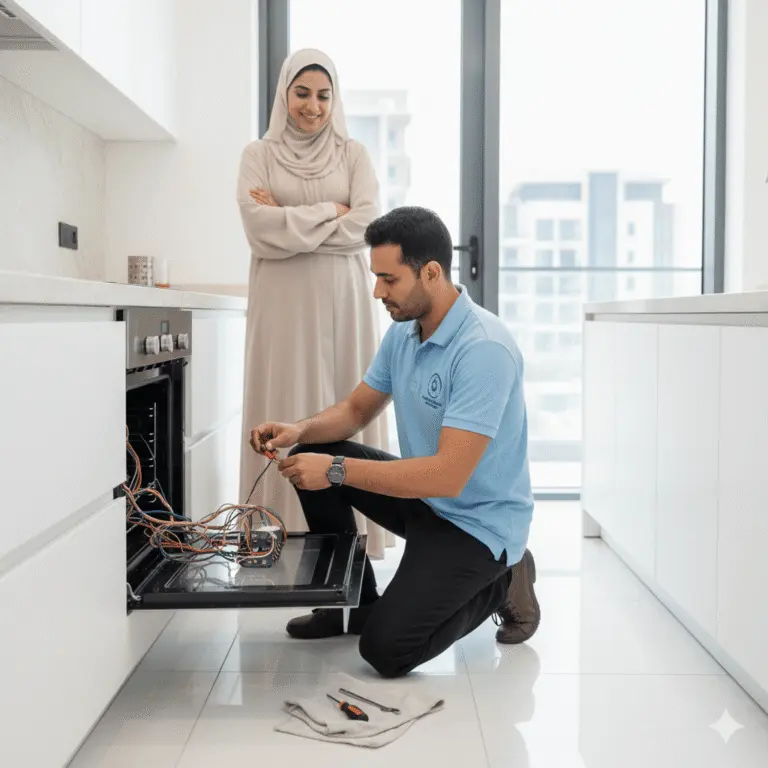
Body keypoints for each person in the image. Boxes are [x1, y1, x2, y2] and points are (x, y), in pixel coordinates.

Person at [250, 206, 540, 679]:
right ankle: (350, 605)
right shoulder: (404, 333)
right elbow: (356, 411)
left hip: (478, 528)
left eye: (389, 279)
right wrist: (298, 431)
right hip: (426, 502)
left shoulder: (483, 349)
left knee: (387, 652)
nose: (377, 291)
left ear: (431, 272)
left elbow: (448, 475)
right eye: (376, 278)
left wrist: (337, 472)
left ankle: (504, 580)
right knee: (310, 456)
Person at [236, 48, 394, 559]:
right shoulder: (257, 155)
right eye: (302, 93)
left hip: (344, 298)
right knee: (284, 394)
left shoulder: (353, 154)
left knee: (345, 397)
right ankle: (278, 530)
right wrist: (330, 211)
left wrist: (290, 217)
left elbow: (366, 226)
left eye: (323, 95)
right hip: (281, 297)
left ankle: (355, 535)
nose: (313, 106)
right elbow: (259, 231)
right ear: (285, 94)